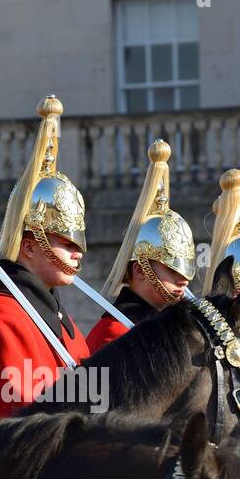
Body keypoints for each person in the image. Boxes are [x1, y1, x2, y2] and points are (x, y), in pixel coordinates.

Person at [0, 95, 90, 425]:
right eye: (65, 241)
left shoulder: (64, 325)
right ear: (28, 246)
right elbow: (20, 430)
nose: (78, 252)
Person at [85, 141, 196, 353]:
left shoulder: (169, 327)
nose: (183, 279)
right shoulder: (114, 333)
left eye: (184, 268)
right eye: (172, 269)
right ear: (139, 270)